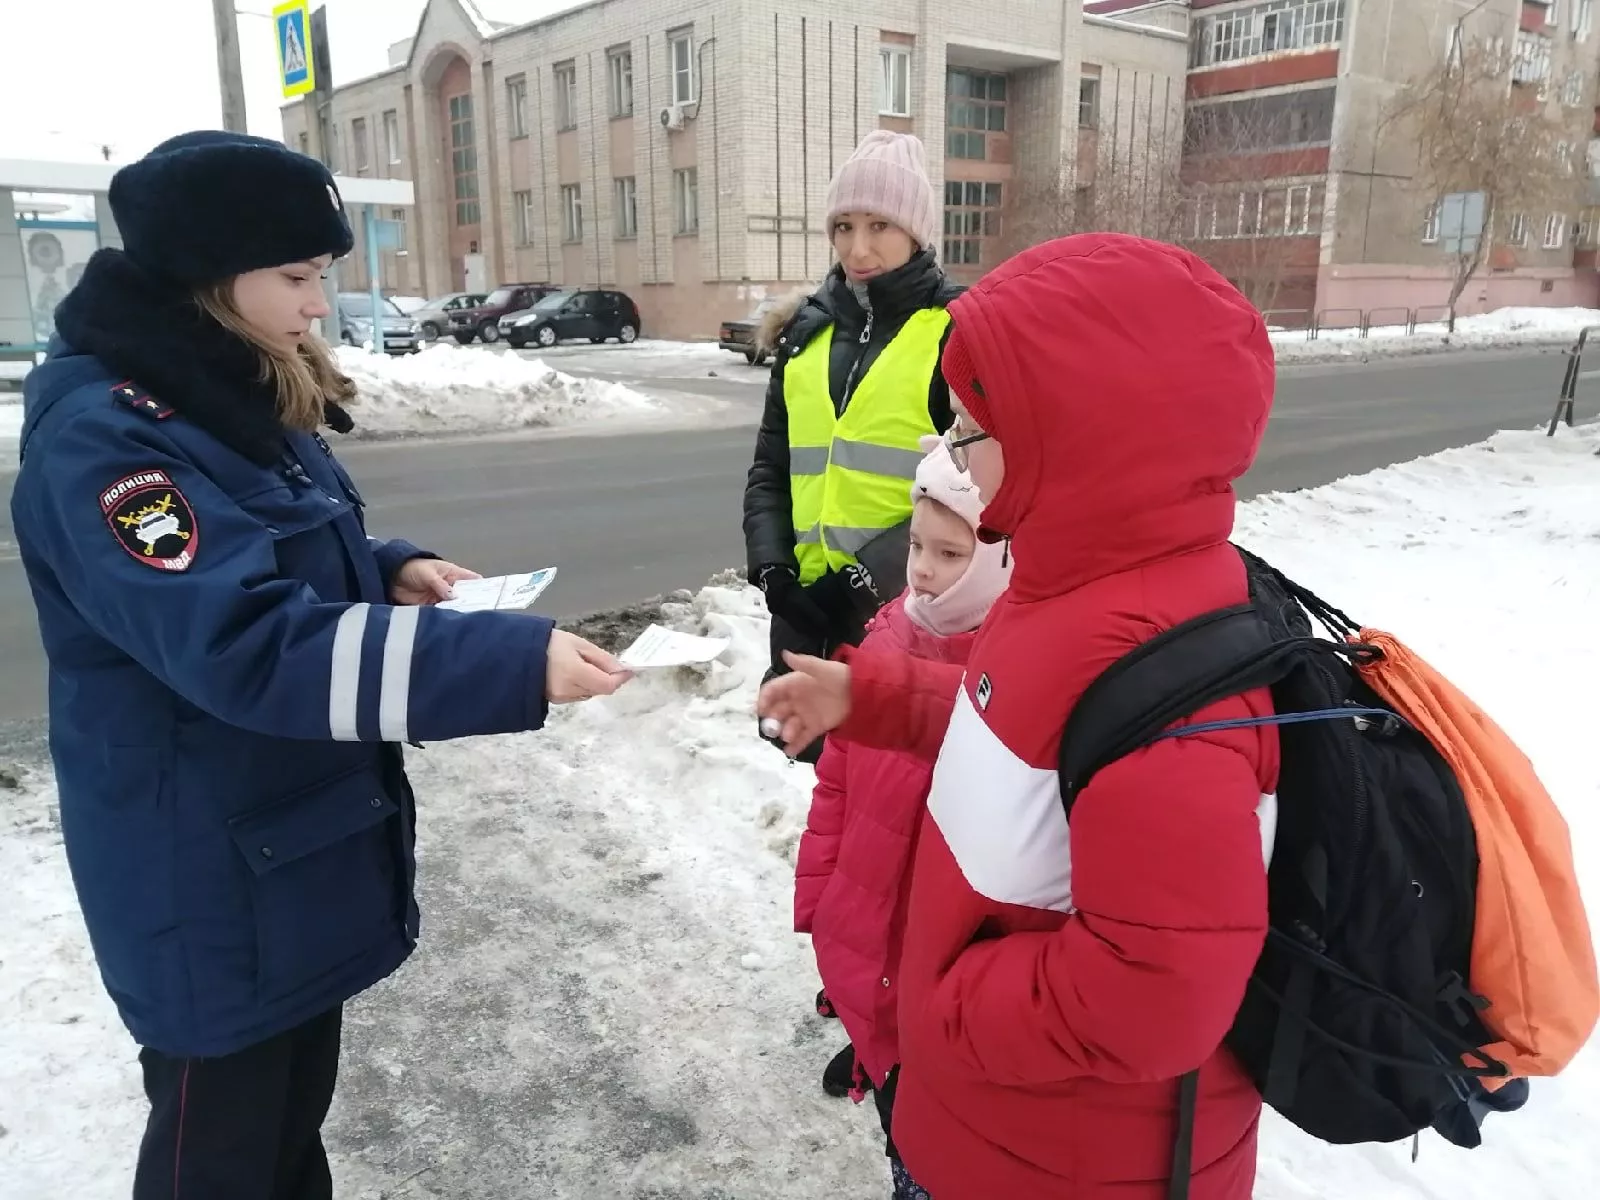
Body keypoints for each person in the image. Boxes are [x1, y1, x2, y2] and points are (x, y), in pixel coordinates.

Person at [9, 131, 629, 1200]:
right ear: (212, 268)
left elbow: (271, 550)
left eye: (323, 276)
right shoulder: (110, 442)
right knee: (223, 1160)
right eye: (296, 276)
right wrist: (499, 663)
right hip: (203, 880)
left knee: (284, 1140)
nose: (315, 304)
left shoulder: (223, 390)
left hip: (279, 853)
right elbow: (245, 646)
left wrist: (390, 569)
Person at [759, 233, 1279, 1199]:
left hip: (1063, 1161)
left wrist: (945, 1003)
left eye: (970, 426)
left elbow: (1157, 995)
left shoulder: (1170, 668)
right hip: (992, 1127)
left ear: (1080, 430)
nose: (952, 447)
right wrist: (874, 697)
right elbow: (1038, 730)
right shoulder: (1072, 586)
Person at [793, 439, 1011, 1200]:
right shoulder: (888, 631)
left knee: (935, 1147)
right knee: (897, 1117)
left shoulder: (1018, 670)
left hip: (945, 975)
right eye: (917, 544)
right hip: (867, 939)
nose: (921, 569)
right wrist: (820, 902)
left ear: (1004, 556)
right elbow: (838, 788)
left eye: (950, 553)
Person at [742, 130, 962, 767]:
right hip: (803, 611)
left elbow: (977, 491)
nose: (857, 248)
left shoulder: (957, 331)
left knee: (894, 790)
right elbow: (771, 469)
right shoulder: (804, 333)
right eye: (842, 226)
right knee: (829, 792)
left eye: (879, 225)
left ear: (917, 232)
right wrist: (776, 573)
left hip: (909, 613)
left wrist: (856, 585)